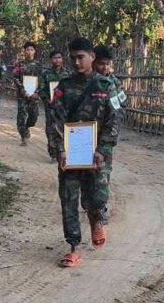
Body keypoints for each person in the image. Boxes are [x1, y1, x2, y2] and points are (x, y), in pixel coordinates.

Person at [50, 37, 120, 268]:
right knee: (69, 198)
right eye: (73, 58)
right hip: (71, 153)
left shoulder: (106, 86)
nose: (77, 62)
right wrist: (59, 149)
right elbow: (54, 120)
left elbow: (114, 119)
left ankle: (96, 218)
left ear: (92, 57)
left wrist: (103, 149)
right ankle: (74, 246)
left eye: (81, 57)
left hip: (97, 153)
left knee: (97, 197)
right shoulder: (63, 87)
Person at [92, 45, 127, 217]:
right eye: (101, 63)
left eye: (108, 64)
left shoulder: (114, 83)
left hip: (105, 136)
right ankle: (89, 202)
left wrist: (110, 135)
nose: (105, 67)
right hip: (84, 135)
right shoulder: (86, 81)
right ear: (93, 62)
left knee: (103, 171)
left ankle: (100, 208)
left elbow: (121, 107)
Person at [39, 49, 70, 162]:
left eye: (59, 57)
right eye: (55, 58)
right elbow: (41, 89)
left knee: (64, 128)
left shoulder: (68, 74)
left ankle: (64, 151)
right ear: (50, 60)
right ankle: (53, 153)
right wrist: (47, 100)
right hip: (50, 106)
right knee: (51, 129)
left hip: (64, 107)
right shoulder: (45, 74)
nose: (57, 60)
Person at [12, 42, 42, 146]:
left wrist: (37, 92)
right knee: (21, 116)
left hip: (34, 95)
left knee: (34, 116)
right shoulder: (19, 64)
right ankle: (23, 136)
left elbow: (42, 80)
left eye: (31, 50)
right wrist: (22, 89)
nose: (29, 52)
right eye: (27, 50)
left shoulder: (38, 65)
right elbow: (15, 77)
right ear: (24, 51)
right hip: (22, 96)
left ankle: (27, 127)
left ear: (35, 51)